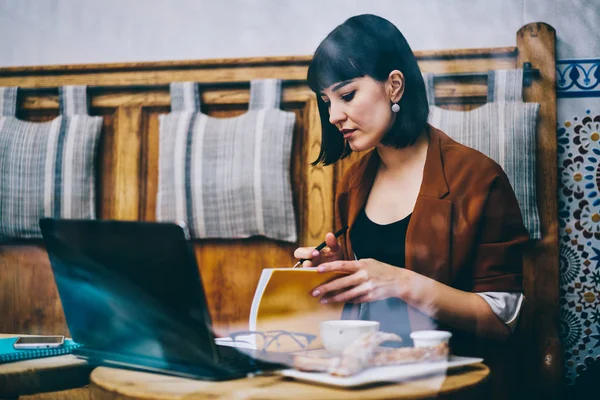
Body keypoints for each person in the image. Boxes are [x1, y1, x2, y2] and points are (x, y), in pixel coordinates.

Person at [293, 14, 529, 394]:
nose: (334, 115)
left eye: (347, 95)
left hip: (452, 386)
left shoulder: (478, 178)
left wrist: (401, 282)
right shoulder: (353, 184)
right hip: (370, 381)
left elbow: (503, 318)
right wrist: (333, 276)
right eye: (327, 101)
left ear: (394, 86)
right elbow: (368, 303)